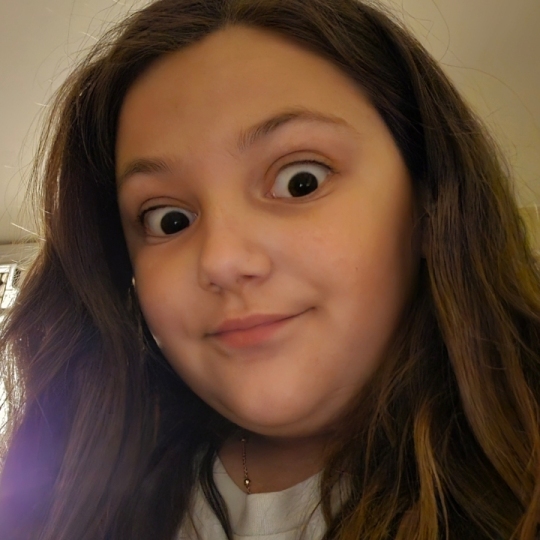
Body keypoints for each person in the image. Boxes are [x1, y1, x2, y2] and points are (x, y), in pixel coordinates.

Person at [1, 0, 539, 538]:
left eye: (301, 181)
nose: (222, 260)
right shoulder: (70, 495)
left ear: (427, 203)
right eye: (169, 220)